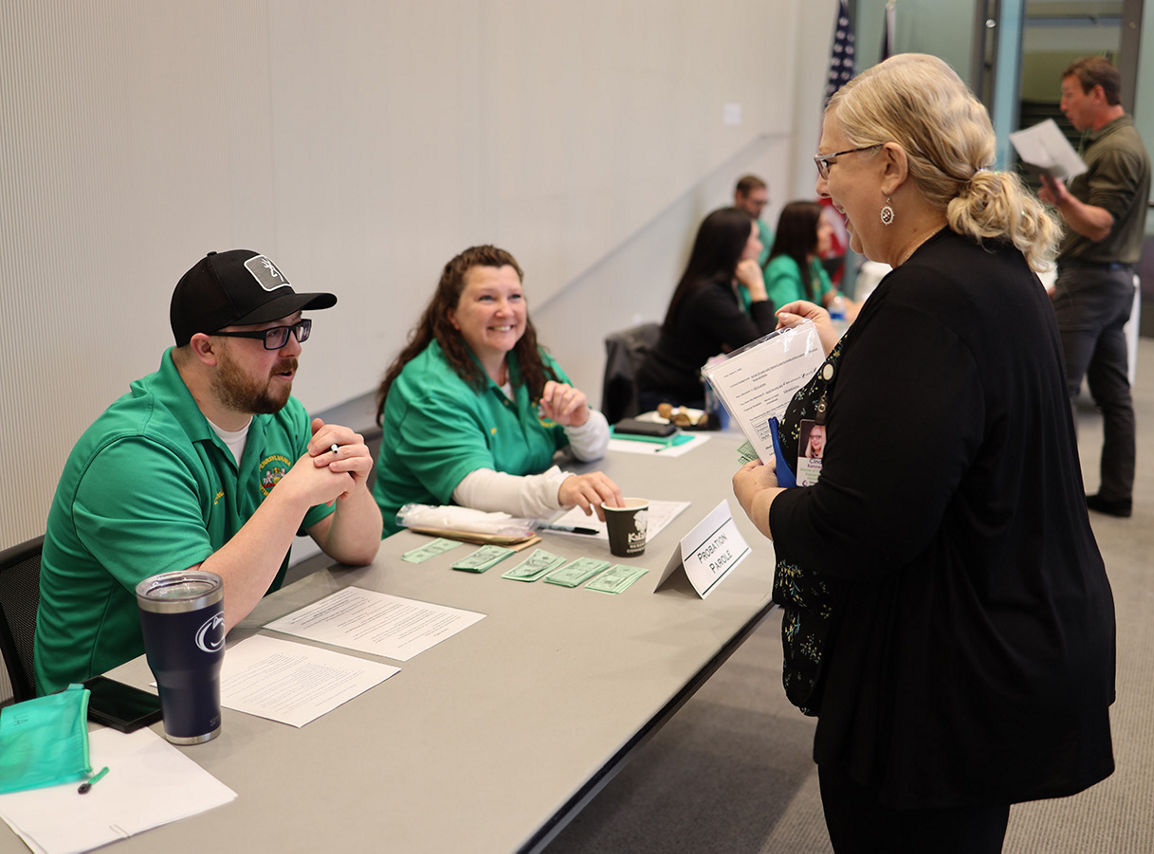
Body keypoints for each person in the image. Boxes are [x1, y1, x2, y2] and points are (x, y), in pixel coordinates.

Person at [731, 54, 1117, 853]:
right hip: (1005, 634)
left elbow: (858, 528)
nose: (825, 187)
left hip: (943, 679)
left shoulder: (928, 299)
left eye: (831, 162)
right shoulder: (990, 271)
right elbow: (948, 415)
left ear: (892, 166)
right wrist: (849, 353)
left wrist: (760, 498)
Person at [34, 250, 382, 695]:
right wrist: (292, 495)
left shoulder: (278, 417)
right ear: (206, 348)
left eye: (298, 328)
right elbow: (198, 616)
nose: (294, 349)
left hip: (233, 660)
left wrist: (352, 485)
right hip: (115, 706)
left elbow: (358, 548)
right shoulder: (132, 453)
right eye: (272, 333)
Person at [373, 245, 620, 535]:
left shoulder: (527, 360)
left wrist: (581, 423)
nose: (506, 311)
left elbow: (593, 450)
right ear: (452, 315)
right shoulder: (427, 388)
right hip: (418, 547)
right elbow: (475, 489)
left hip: (514, 527)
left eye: (515, 297)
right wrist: (560, 488)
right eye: (487, 298)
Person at [1038, 56, 1151, 518]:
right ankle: (1115, 493)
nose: (1064, 106)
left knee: (1058, 390)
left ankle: (1056, 501)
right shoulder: (1112, 143)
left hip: (1091, 284)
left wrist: (1063, 198)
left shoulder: (1115, 150)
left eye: (1070, 95)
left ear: (1097, 95)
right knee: (1112, 396)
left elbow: (1101, 224)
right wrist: (1065, 201)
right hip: (1109, 284)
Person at [635, 207, 774, 411]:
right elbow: (763, 349)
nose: (760, 247)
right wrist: (757, 288)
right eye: (754, 239)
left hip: (688, 390)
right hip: (669, 398)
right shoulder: (709, 296)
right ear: (735, 247)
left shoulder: (714, 286)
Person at [761, 200, 841, 309]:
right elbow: (788, 317)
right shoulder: (783, 267)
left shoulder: (812, 261)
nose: (830, 230)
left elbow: (832, 298)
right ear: (802, 232)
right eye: (821, 226)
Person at [733, 173, 774, 260]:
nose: (761, 208)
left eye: (764, 203)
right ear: (739, 196)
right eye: (757, 203)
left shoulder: (761, 225)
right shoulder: (726, 223)